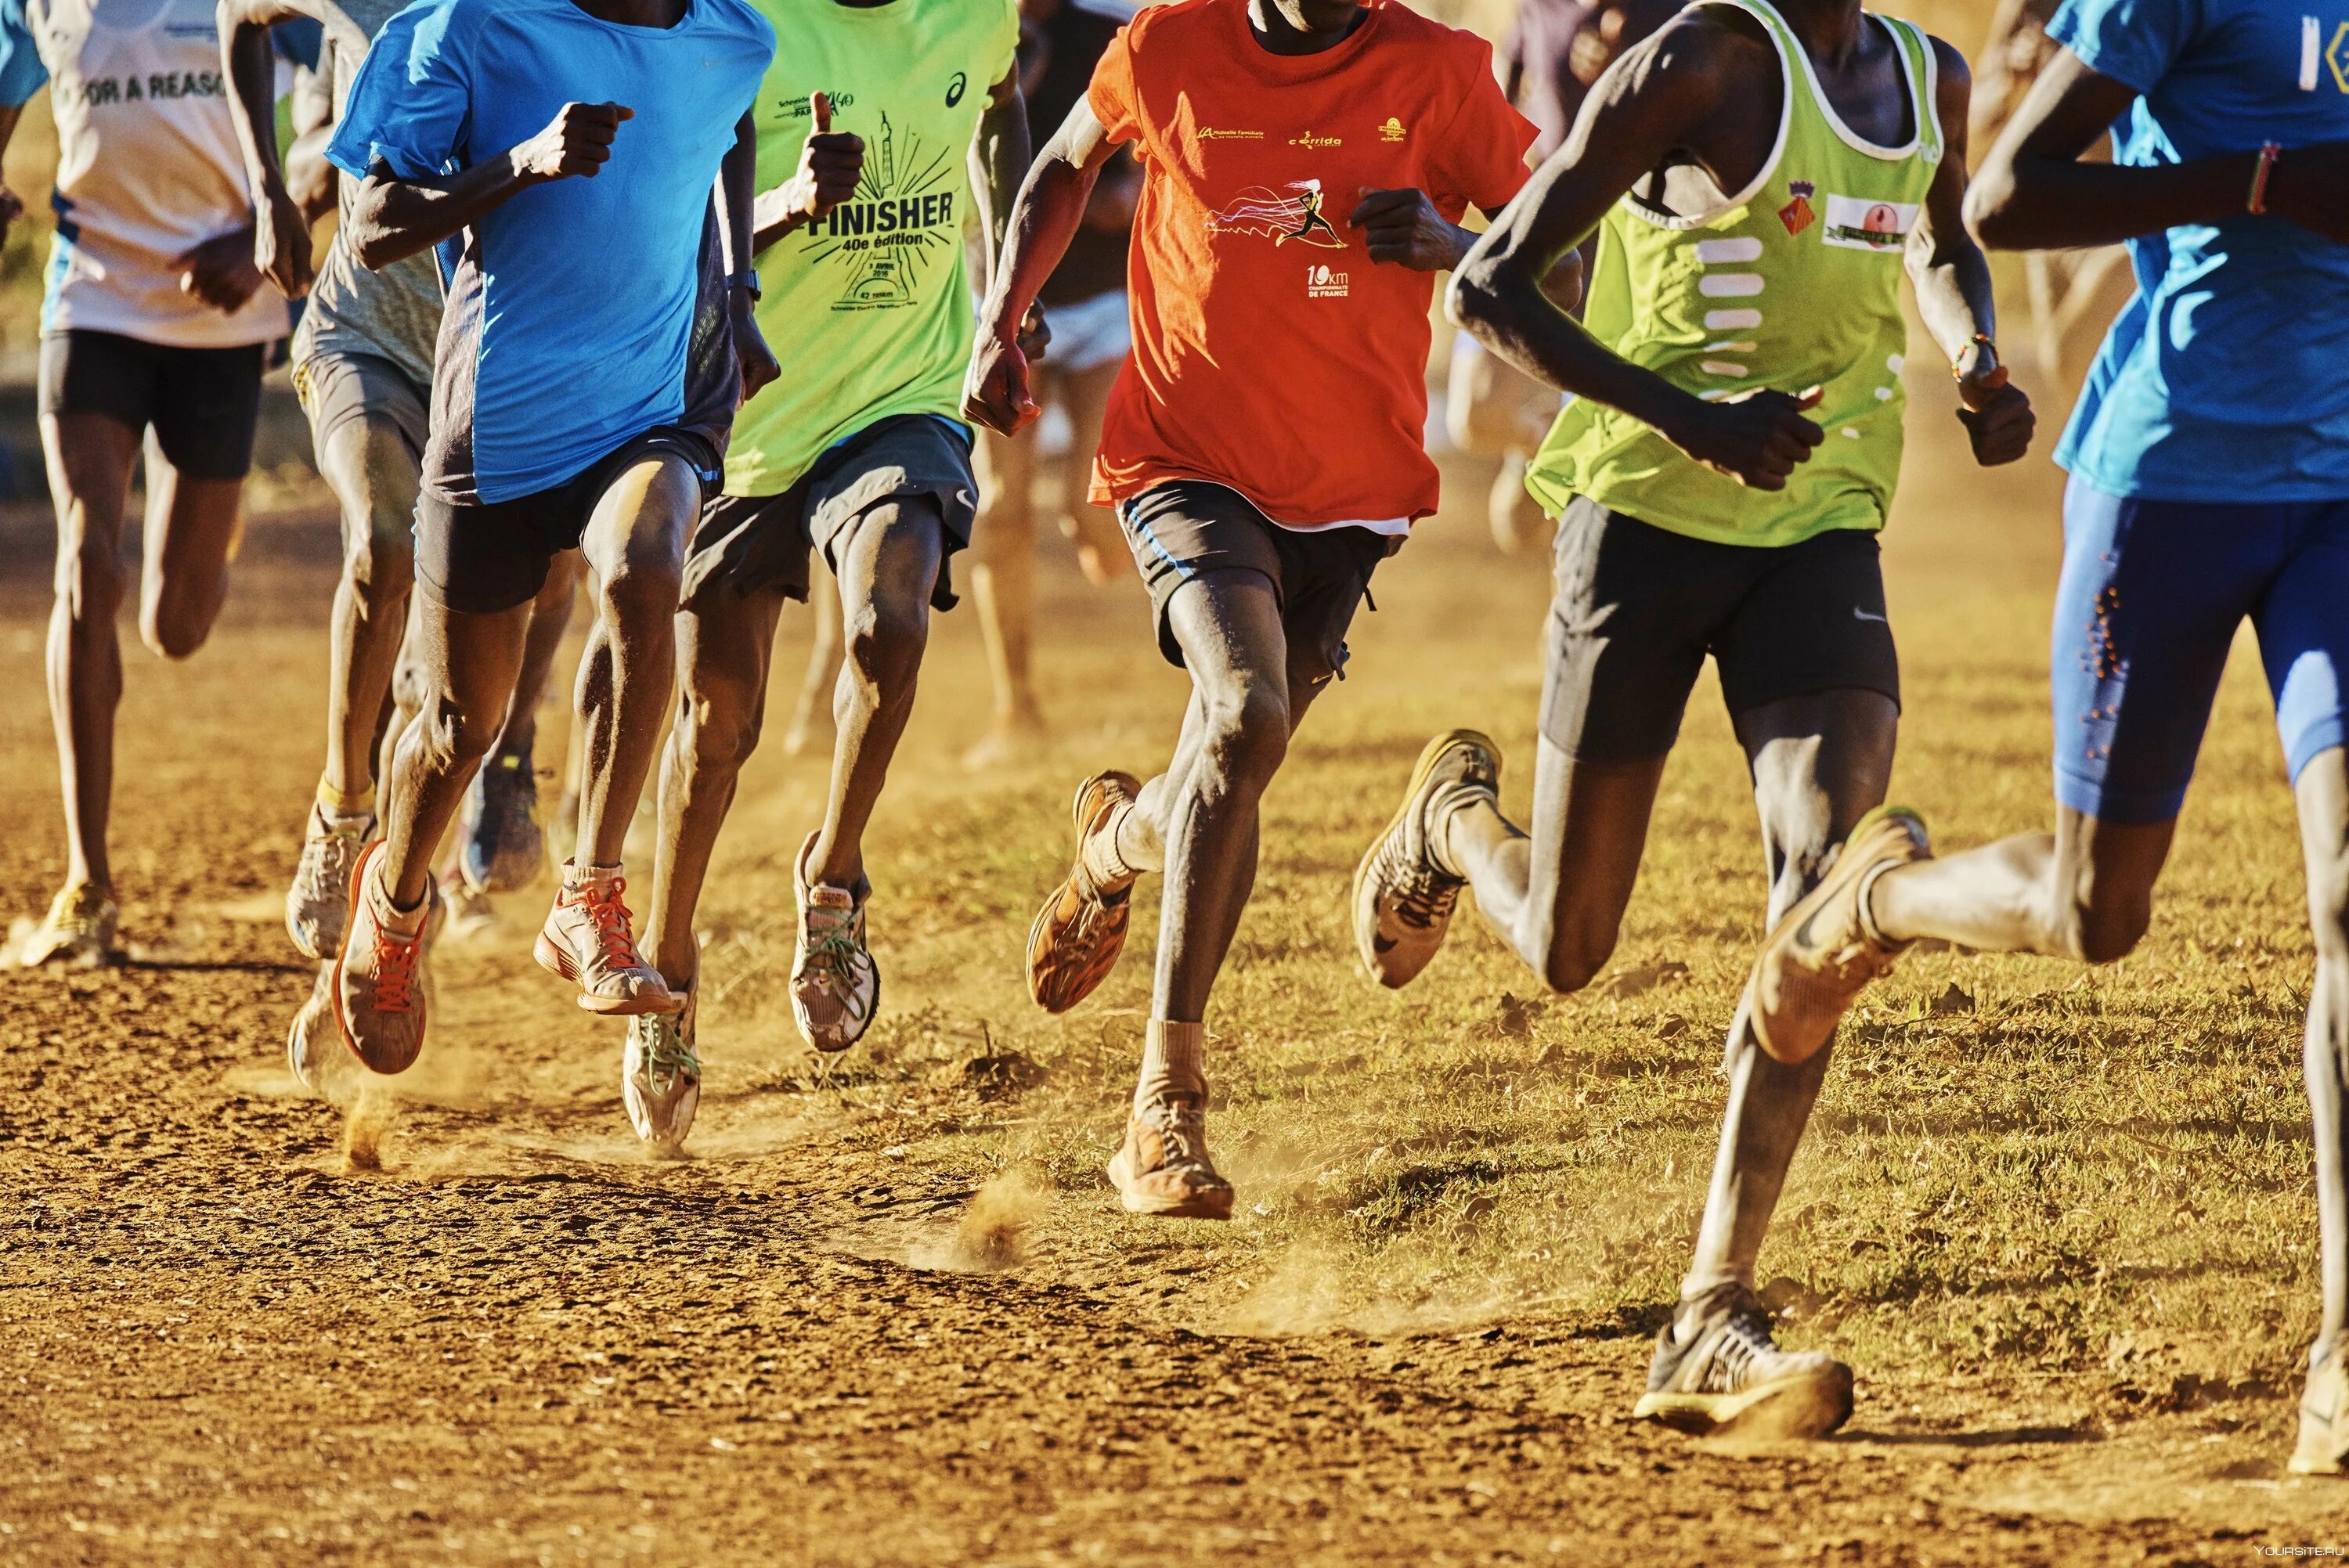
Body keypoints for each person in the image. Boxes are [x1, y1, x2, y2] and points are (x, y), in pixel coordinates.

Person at [1352, 0, 2033, 1438]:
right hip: (1647, 518)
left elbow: (1941, 230)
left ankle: (1710, 1307)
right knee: (1570, 942)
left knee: (1821, 890)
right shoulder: (1707, 61)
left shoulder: (1928, 74)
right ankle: (1452, 822)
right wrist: (1690, 418)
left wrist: (1972, 350)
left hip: (1822, 522)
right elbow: (1489, 281)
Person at [1743, 0, 2349, 1475]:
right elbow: (2009, 195)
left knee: (2348, 890)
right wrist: (2258, 183)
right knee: (2098, 911)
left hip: (2342, 487)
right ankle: (1870, 900)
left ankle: (2342, 1350)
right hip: (2175, 480)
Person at [973, 0, 1543, 1221]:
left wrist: (1450, 244)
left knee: (1230, 759)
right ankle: (1163, 1104)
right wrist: (998, 317)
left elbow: (1559, 225)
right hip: (1187, 458)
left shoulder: (1436, 72)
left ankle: (1113, 844)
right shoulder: (1171, 45)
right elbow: (1064, 161)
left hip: (1353, 493)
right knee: (1242, 711)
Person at [320, 0, 777, 1076]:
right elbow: (372, 222)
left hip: (649, 411)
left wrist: (738, 287)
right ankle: (394, 896)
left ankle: (591, 892)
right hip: (501, 426)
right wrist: (519, 165)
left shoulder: (735, 37)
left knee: (647, 564)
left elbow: (734, 118)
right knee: (455, 725)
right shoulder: (469, 29)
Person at [638, 0, 1030, 1150]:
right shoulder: (744, 32)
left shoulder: (973, 14)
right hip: (747, 412)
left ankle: (834, 877)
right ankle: (668, 956)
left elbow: (1006, 105)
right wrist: (787, 204)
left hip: (899, 398)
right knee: (719, 723)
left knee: (888, 622)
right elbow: (667, 226)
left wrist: (1004, 288)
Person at [218, 0, 582, 979]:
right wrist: (268, 189)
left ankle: (511, 749)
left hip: (510, 347)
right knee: (382, 542)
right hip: (366, 332)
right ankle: (341, 812)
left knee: (551, 569)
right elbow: (240, 18)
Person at [2, 0, 297, 966]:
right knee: (88, 561)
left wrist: (265, 226)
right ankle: (88, 881)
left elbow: (353, 100)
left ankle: (207, 520)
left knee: (177, 625)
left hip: (222, 311)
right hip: (92, 303)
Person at [961, 0, 1140, 770]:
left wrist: (1129, 197)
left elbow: (1157, 152)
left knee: (1092, 509)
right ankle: (1016, 705)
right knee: (1002, 507)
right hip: (996, 306)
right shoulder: (958, 30)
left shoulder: (1115, 34)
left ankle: (1174, 656)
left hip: (1102, 305)